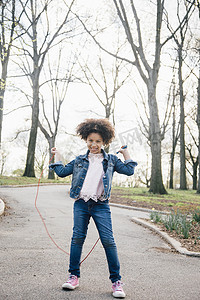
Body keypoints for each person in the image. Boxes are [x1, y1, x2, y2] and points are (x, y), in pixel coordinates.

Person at [49, 118, 137, 298]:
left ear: (104, 141)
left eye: (97, 141)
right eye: (90, 141)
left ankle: (116, 282)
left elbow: (129, 170)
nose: (94, 144)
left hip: (101, 205)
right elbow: (61, 172)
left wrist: (126, 153)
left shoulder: (111, 160)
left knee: (108, 241)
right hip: (81, 204)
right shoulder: (79, 160)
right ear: (85, 140)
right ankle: (73, 276)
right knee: (77, 239)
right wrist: (57, 156)